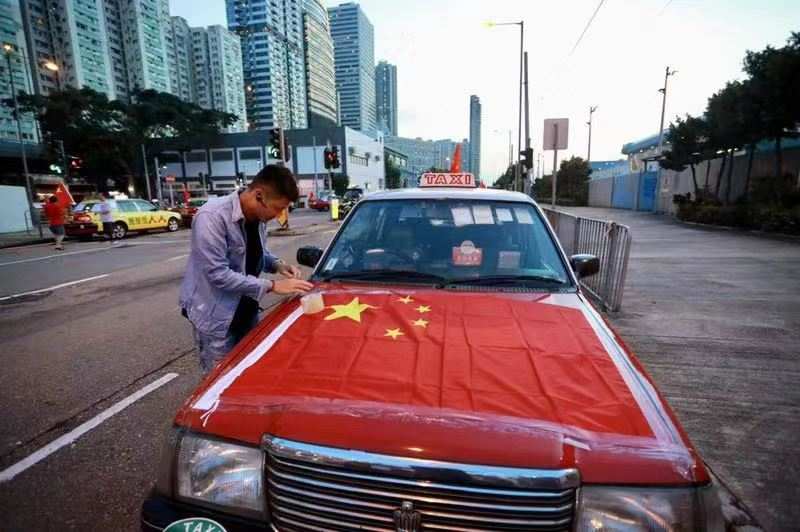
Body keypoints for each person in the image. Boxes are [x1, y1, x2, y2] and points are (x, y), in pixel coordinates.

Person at [179, 165, 313, 374]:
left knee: (249, 372)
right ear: (258, 195)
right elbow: (218, 275)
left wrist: (278, 265)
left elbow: (256, 251)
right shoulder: (212, 217)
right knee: (220, 380)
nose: (279, 216)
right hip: (217, 318)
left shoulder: (257, 217)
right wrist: (273, 286)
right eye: (277, 209)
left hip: (246, 309)